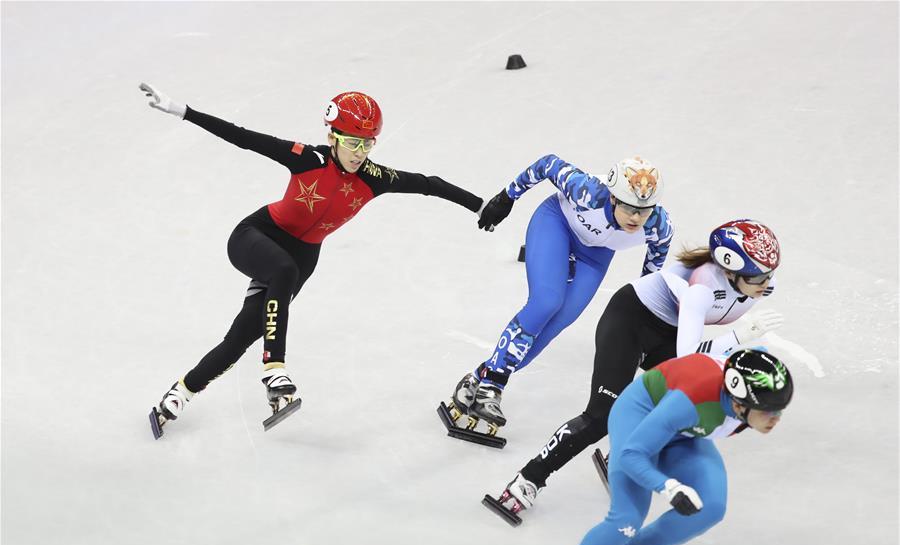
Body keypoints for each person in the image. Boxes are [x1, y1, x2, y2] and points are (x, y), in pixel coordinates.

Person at [138, 84, 484, 438]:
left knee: (241, 337)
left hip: (300, 260)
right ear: (332, 136)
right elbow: (242, 137)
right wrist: (182, 110)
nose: (359, 153)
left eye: (367, 144)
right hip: (256, 237)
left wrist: (481, 206)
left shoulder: (373, 178)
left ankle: (180, 393)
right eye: (352, 142)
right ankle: (275, 369)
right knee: (282, 269)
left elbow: (429, 183)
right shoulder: (308, 159)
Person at [490, 218, 784, 520]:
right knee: (601, 416)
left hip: (666, 333)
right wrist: (739, 338)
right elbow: (688, 360)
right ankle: (529, 478)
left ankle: (628, 448)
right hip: (629, 323)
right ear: (730, 269)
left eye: (769, 274)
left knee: (688, 398)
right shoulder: (703, 289)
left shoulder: (756, 283)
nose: (766, 283)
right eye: (759, 276)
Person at [520, 349, 795, 545]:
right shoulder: (690, 400)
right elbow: (631, 455)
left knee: (710, 507)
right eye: (770, 411)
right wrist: (669, 487)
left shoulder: (745, 390)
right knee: (626, 520)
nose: (776, 419)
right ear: (738, 405)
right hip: (640, 417)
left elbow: (754, 358)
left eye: (780, 410)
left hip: (684, 432)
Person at [441, 155, 673, 442]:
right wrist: (506, 197)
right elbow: (547, 164)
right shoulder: (587, 192)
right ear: (612, 198)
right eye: (628, 207)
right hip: (557, 224)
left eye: (644, 209)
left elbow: (650, 279)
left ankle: (479, 377)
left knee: (561, 319)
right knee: (547, 302)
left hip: (595, 254)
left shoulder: (659, 227)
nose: (636, 217)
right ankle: (494, 385)